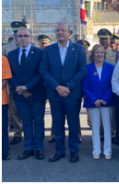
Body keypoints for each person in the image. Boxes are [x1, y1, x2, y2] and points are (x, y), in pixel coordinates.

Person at [40, 23, 87, 163]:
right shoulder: (48, 50)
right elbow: (44, 70)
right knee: (58, 124)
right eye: (57, 30)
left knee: (73, 124)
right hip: (55, 94)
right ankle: (59, 151)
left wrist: (67, 87)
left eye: (63, 30)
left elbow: (82, 70)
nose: (60, 33)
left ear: (69, 33)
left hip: (72, 94)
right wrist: (57, 87)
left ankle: (74, 151)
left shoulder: (78, 49)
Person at [8, 28, 46, 160]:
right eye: (20, 36)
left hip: (36, 94)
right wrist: (20, 89)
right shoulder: (11, 54)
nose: (23, 38)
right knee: (26, 122)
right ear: (16, 38)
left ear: (31, 37)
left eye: (26, 36)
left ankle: (39, 148)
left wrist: (26, 87)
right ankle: (28, 147)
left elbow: (42, 74)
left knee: (38, 122)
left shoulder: (40, 53)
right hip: (20, 95)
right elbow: (10, 75)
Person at [82, 45, 115, 160]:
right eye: (97, 52)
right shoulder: (87, 68)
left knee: (107, 127)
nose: (99, 54)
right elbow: (84, 86)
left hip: (107, 102)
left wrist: (105, 99)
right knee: (95, 127)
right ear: (92, 55)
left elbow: (113, 85)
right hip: (93, 102)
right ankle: (96, 150)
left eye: (101, 52)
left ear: (104, 55)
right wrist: (94, 99)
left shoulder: (111, 67)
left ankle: (108, 150)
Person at [1, 21, 25, 146]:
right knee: (14, 110)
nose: (18, 34)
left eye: (19, 31)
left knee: (29, 110)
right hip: (12, 83)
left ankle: (30, 132)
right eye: (15, 32)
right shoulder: (7, 47)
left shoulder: (32, 45)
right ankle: (17, 133)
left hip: (28, 83)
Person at [77, 40, 92, 131]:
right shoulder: (73, 57)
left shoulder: (90, 58)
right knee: (75, 111)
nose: (83, 50)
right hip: (77, 86)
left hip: (88, 86)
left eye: (85, 49)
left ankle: (91, 124)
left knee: (89, 107)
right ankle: (77, 132)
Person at [1, 56, 12, 161]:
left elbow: (4, 81)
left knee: (2, 128)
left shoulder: (2, 60)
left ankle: (4, 150)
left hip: (1, 101)